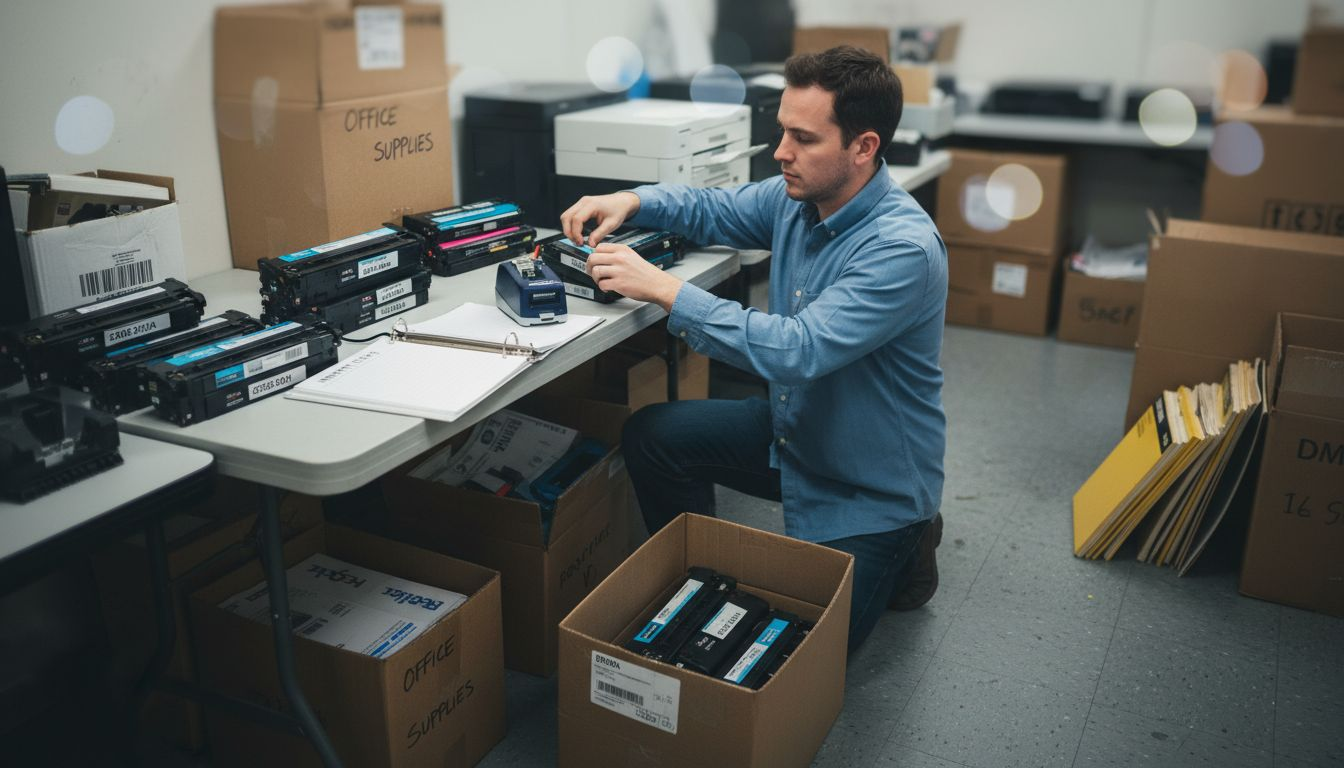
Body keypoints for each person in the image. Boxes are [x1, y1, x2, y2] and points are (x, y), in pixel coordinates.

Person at [559, 46, 946, 651]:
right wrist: (633, 200)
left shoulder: (901, 249)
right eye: (780, 132)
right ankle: (700, 582)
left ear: (863, 147)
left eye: (802, 138)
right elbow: (714, 207)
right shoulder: (800, 199)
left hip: (871, 482)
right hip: (799, 425)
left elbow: (799, 350)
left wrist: (665, 289)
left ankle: (911, 538)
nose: (781, 153)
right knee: (654, 435)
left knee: (799, 655)